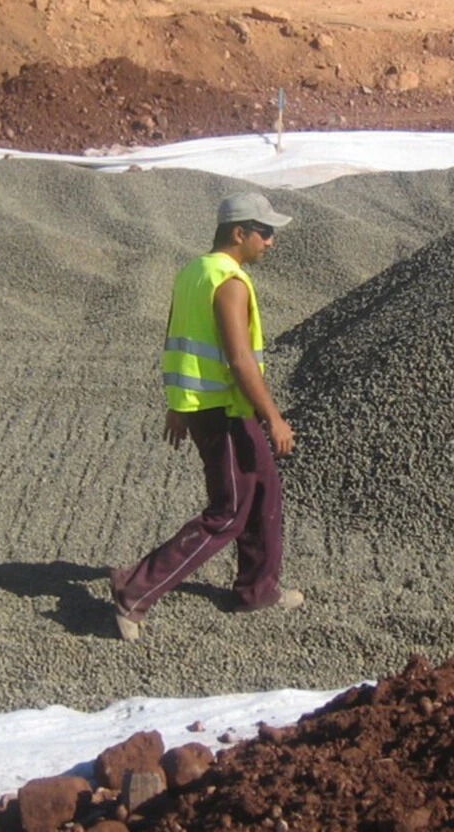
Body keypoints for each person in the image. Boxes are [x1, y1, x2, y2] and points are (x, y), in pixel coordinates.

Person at [109, 191, 302, 641]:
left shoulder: (192, 272)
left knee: (264, 493)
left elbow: (175, 335)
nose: (271, 241)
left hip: (209, 408)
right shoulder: (228, 281)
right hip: (224, 412)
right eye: (265, 232)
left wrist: (178, 406)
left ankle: (258, 590)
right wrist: (273, 417)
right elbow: (239, 360)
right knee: (229, 510)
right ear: (240, 233)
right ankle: (133, 592)